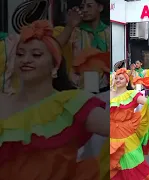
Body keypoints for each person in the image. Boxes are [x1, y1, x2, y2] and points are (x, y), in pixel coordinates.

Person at [0, 20, 109, 179]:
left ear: (55, 67)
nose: (26, 60)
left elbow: (123, 131)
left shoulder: (71, 102)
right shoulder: (2, 101)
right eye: (20, 54)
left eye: (36, 55)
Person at [55, 0, 109, 92]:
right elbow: (54, 47)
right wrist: (70, 25)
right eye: (82, 7)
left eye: (89, 6)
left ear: (100, 7)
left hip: (106, 86)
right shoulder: (74, 32)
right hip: (77, 86)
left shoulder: (109, 32)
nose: (84, 10)